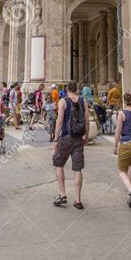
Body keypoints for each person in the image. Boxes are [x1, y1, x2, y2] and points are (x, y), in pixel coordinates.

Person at [53, 81, 89, 209]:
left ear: (67, 89)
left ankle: (62, 194)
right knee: (77, 169)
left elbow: (59, 121)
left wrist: (56, 139)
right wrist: (86, 136)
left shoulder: (63, 101)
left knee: (58, 164)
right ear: (76, 89)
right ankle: (78, 200)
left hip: (66, 137)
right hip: (78, 137)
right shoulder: (83, 101)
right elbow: (86, 121)